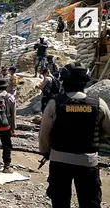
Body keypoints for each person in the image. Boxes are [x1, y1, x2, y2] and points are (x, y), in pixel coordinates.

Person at [39, 62, 110, 208]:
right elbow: (107, 130)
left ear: (64, 82)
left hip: (59, 160)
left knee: (60, 202)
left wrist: (46, 151)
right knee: (90, 202)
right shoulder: (98, 104)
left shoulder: (54, 104)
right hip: (88, 161)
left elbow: (44, 134)